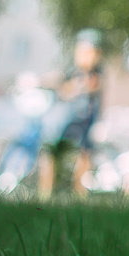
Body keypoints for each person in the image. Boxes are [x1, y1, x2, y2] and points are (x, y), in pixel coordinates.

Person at [39, 32, 103, 197]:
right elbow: (64, 89)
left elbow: (94, 87)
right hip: (66, 119)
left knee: (84, 152)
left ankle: (78, 190)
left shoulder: (96, 73)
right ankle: (45, 190)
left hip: (85, 120)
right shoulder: (71, 70)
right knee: (51, 150)